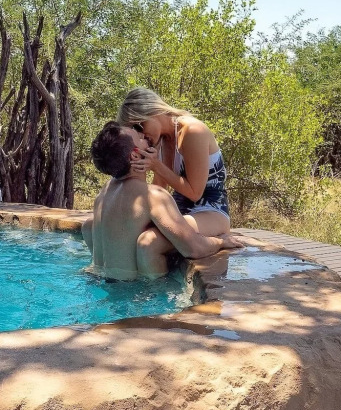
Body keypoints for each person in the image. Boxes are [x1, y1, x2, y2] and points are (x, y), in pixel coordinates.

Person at [81, 121, 242, 280]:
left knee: (89, 224)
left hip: (100, 282)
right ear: (135, 155)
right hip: (138, 292)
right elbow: (193, 248)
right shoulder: (152, 196)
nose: (144, 136)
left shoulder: (105, 193)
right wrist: (220, 242)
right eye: (139, 138)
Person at [116, 88, 231, 267]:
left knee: (150, 242)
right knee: (131, 230)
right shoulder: (162, 139)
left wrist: (156, 165)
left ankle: (157, 287)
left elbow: (195, 193)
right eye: (134, 130)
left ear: (151, 111)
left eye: (139, 126)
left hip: (210, 208)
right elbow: (159, 188)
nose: (140, 135)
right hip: (178, 209)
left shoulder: (192, 131)